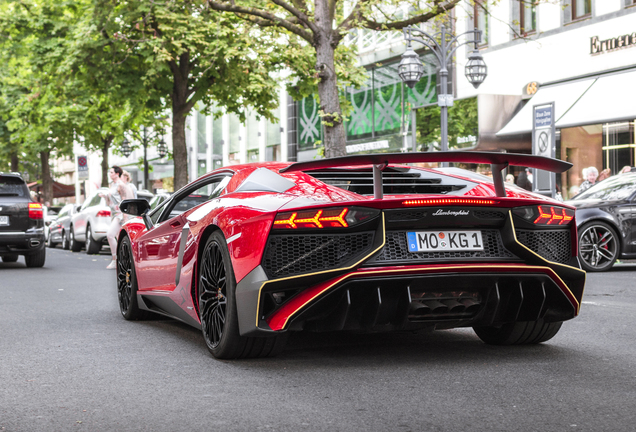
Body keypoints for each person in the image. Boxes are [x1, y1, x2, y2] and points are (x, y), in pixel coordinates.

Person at [100, 166, 134, 269]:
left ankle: (115, 260)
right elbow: (112, 200)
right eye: (109, 172)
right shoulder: (112, 185)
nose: (110, 174)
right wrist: (105, 196)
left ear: (117, 174)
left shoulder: (121, 185)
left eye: (111, 172)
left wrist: (125, 217)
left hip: (120, 214)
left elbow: (124, 201)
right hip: (114, 214)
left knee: (110, 235)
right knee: (120, 239)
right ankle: (124, 261)